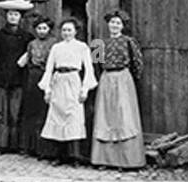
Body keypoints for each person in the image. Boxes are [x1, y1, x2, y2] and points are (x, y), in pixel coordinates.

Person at [90, 11, 145, 171]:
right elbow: (95, 65)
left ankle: (127, 161)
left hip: (123, 78)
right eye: (112, 22)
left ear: (122, 26)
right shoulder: (98, 43)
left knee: (124, 116)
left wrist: (129, 80)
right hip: (106, 78)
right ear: (108, 24)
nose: (114, 25)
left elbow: (138, 62)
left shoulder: (129, 41)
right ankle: (104, 160)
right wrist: (104, 78)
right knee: (105, 116)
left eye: (118, 23)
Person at [38, 18, 96, 164]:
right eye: (64, 30)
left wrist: (85, 90)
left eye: (69, 30)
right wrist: (47, 89)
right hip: (58, 81)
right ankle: (58, 155)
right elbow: (49, 68)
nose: (66, 33)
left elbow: (89, 69)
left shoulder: (82, 47)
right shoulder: (56, 47)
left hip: (73, 80)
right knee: (57, 116)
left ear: (76, 31)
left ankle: (74, 155)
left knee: (74, 116)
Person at [0, 0, 33, 153]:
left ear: (21, 18)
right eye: (10, 14)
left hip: (19, 78)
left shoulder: (27, 37)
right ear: (6, 16)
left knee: (15, 111)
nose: (13, 17)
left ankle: (15, 145)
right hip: (0, 78)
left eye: (16, 14)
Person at [17, 17, 55, 156]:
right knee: (31, 110)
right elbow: (24, 62)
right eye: (39, 28)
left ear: (49, 29)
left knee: (44, 111)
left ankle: (44, 149)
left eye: (44, 28)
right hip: (33, 78)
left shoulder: (54, 43)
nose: (42, 31)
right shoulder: (32, 44)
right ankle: (29, 147)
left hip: (48, 76)